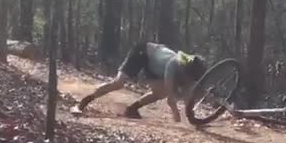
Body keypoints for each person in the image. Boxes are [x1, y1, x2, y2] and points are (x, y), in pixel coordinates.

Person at [70, 42, 207, 122]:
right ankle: (82, 103)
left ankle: (131, 109)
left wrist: (192, 114)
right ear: (186, 70)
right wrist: (175, 111)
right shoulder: (175, 64)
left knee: (160, 93)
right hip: (143, 52)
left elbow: (187, 96)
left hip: (155, 65)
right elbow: (171, 99)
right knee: (118, 83)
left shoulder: (189, 67)